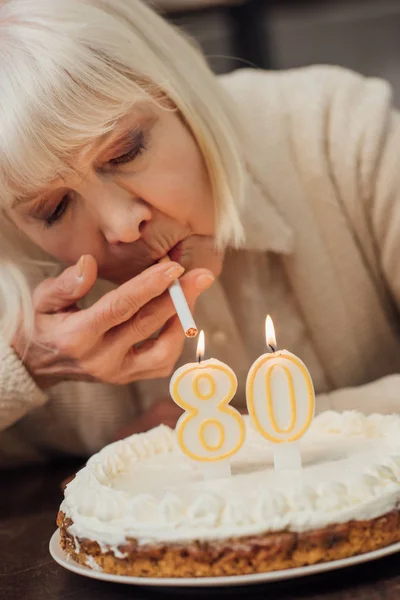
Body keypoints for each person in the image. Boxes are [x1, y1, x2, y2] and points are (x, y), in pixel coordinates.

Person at [0, 0, 399, 468]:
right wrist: (22, 370)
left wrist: (247, 431)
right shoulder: (19, 290)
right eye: (54, 208)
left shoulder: (336, 132)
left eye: (126, 151)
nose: (124, 227)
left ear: (179, 91)